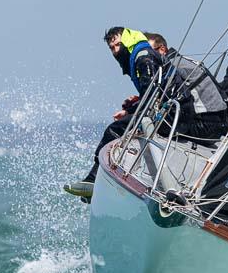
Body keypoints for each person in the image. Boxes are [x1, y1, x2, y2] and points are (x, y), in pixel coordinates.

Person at [64, 27, 161, 199]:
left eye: (117, 45)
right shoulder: (137, 56)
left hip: (165, 115)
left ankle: (94, 181)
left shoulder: (143, 56)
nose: (115, 51)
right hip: (157, 110)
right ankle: (97, 183)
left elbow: (153, 94)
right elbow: (149, 93)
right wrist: (130, 110)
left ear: (127, 41)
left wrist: (134, 111)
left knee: (114, 130)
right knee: (121, 127)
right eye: (111, 48)